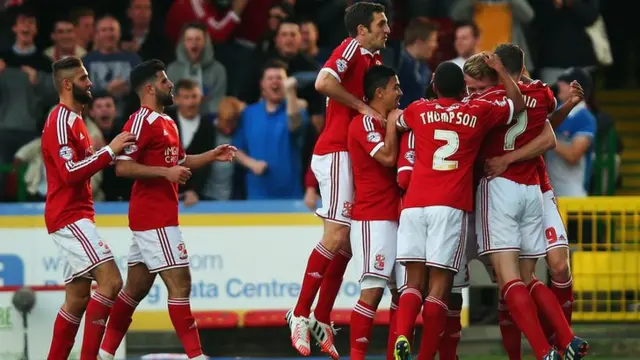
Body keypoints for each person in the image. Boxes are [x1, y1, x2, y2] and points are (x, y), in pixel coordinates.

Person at [392, 60, 532, 360]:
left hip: (414, 205)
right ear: (463, 89)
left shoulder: (418, 110)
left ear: (434, 85)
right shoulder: (477, 112)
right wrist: (500, 69)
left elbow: (396, 120)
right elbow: (518, 104)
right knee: (439, 289)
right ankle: (426, 355)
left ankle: (402, 335)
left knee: (413, 284)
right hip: (450, 205)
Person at [98, 60, 236, 360]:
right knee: (181, 283)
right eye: (164, 81)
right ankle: (196, 356)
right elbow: (121, 167)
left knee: (135, 289)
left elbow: (180, 162)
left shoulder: (167, 121)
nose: (170, 84)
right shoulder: (140, 121)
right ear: (149, 88)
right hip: (154, 216)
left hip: (158, 214)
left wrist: (212, 155)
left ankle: (105, 354)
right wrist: (165, 173)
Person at [464, 45, 588, 360]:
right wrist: (566, 105)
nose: (473, 92)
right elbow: (542, 118)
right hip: (529, 190)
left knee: (510, 280)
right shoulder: (542, 93)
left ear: (496, 73)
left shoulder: (487, 103)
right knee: (529, 278)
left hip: (500, 189)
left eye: (477, 86)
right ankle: (566, 340)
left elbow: (545, 135)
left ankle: (546, 350)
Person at [287, 2, 390, 358]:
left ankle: (323, 317)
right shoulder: (351, 48)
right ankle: (299, 314)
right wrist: (362, 107)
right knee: (335, 235)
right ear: (361, 29)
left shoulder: (375, 63)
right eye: (380, 24)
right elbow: (322, 81)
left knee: (345, 244)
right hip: (336, 153)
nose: (387, 30)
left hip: (355, 155)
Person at [43, 56, 135, 360]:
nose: (90, 82)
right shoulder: (60, 120)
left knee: (78, 297)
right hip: (68, 216)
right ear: (68, 84)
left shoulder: (76, 120)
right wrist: (110, 150)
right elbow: (70, 173)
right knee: (112, 282)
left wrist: (113, 153)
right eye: (84, 78)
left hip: (77, 215)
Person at [346, 65, 403, 359]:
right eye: (395, 87)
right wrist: (392, 125)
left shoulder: (386, 121)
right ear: (379, 93)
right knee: (372, 293)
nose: (400, 93)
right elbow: (388, 157)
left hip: (397, 216)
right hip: (373, 219)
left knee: (402, 295)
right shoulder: (364, 124)